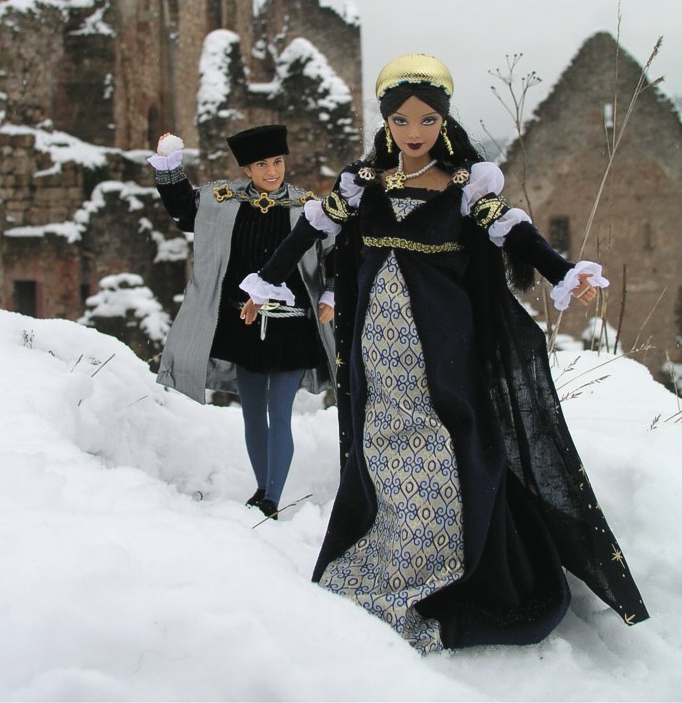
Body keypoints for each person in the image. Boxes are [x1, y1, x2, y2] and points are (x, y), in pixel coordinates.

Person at [240, 54, 649, 652]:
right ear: (385, 122)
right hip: (377, 341)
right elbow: (309, 233)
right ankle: (383, 559)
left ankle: (446, 568)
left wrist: (563, 273)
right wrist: (265, 283)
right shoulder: (364, 183)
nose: (413, 133)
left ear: (443, 123)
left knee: (446, 439)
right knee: (381, 443)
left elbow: (515, 232)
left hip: (443, 342)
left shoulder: (465, 188)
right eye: (402, 121)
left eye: (427, 121)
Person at [149, 124, 335, 520]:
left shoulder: (307, 206)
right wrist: (169, 167)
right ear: (247, 169)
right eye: (262, 165)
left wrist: (332, 292)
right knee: (253, 412)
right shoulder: (223, 201)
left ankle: (272, 499)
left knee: (280, 412)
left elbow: (335, 250)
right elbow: (184, 211)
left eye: (278, 162)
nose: (272, 172)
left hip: (292, 326)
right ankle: (262, 489)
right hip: (243, 326)